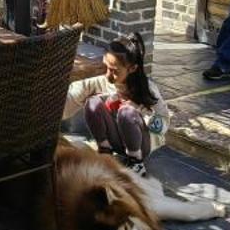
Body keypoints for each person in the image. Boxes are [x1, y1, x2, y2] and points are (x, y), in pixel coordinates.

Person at [65, 32, 171, 170]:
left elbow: (163, 125)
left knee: (127, 112)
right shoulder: (103, 81)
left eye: (114, 71)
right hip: (116, 140)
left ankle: (136, 162)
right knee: (92, 102)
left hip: (140, 145)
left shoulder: (147, 89)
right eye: (106, 67)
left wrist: (141, 112)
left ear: (132, 69)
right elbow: (73, 94)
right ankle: (105, 152)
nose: (108, 75)